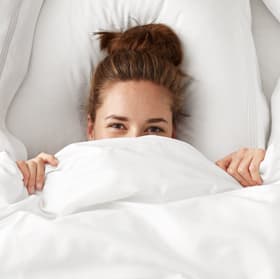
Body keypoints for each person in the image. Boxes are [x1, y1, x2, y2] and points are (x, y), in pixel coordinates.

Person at [15, 23, 266, 195]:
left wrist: (261, 167)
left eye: (154, 129)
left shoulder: (204, 176)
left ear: (173, 134)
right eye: (117, 126)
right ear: (91, 127)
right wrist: (22, 178)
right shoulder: (54, 177)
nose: (135, 143)